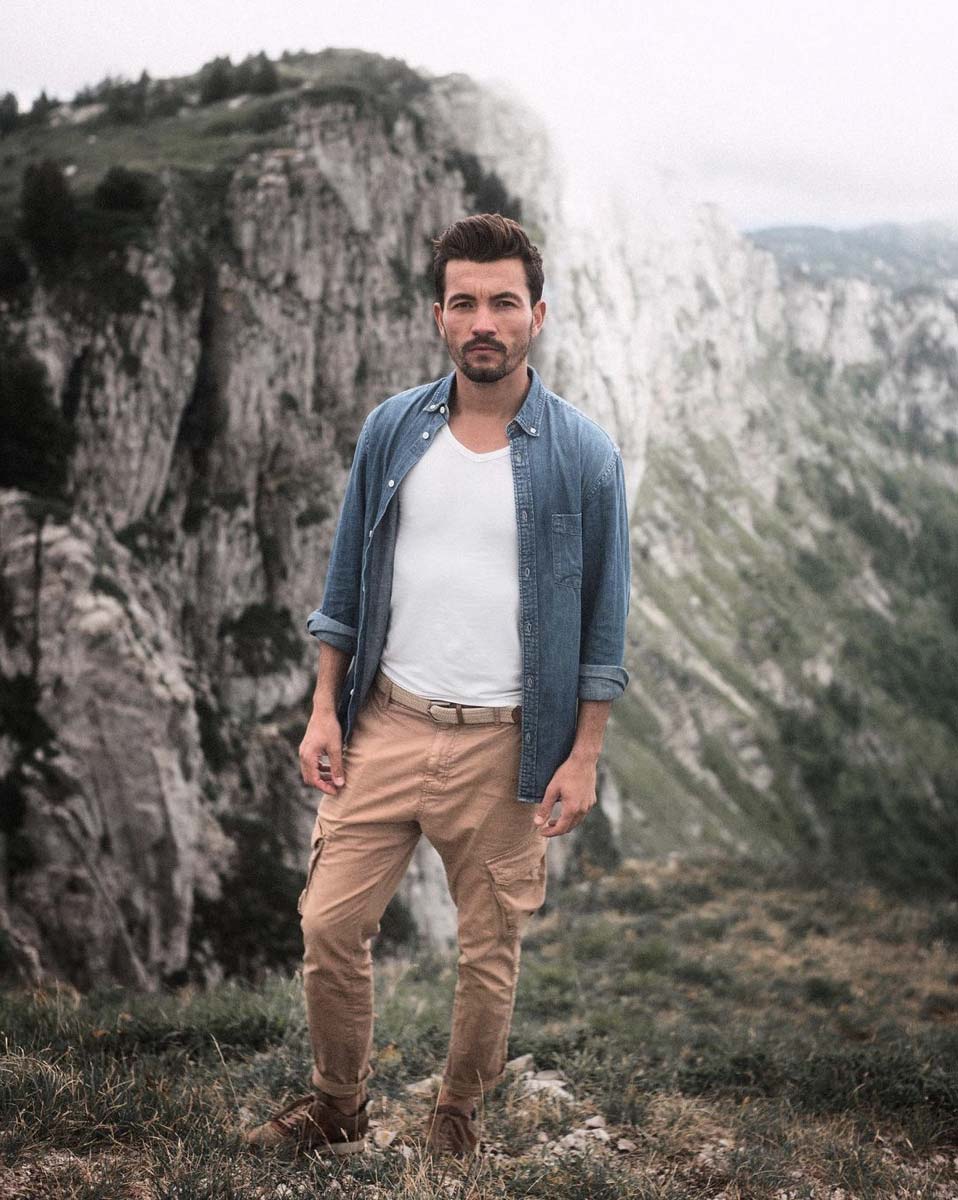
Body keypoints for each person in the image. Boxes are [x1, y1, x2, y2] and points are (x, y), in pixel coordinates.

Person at [243, 212, 631, 1158]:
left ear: (537, 314)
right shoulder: (393, 430)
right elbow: (345, 584)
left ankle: (456, 1115)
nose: (483, 321)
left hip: (508, 744)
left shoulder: (583, 456)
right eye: (464, 303)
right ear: (439, 316)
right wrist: (324, 708)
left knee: (488, 951)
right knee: (329, 924)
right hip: (386, 722)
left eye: (504, 302)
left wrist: (583, 755)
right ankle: (339, 1104)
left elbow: (604, 623)